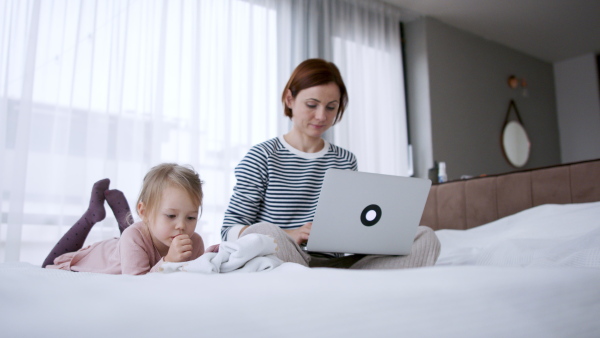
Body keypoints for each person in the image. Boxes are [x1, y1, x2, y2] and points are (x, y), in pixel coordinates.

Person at [221, 58, 441, 269]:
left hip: (334, 265)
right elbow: (229, 230)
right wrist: (291, 234)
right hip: (284, 258)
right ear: (290, 100)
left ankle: (344, 280)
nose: (321, 116)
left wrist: (369, 237)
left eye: (331, 107)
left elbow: (353, 224)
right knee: (264, 230)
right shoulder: (262, 156)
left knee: (425, 237)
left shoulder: (345, 160)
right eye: (311, 104)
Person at [43, 163, 205, 275]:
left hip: (127, 244)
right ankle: (90, 215)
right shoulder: (133, 237)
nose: (182, 226)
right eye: (171, 216)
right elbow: (136, 284)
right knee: (47, 265)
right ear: (144, 211)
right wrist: (168, 262)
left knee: (132, 232)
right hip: (98, 256)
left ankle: (123, 216)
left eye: (191, 217)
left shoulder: (195, 243)